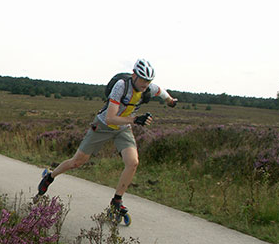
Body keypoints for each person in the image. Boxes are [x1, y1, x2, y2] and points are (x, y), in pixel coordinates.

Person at [36, 58, 178, 218]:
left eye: (148, 81)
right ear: (134, 75)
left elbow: (161, 92)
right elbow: (111, 118)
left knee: (133, 162)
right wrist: (135, 119)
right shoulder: (121, 87)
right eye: (143, 79)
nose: (145, 84)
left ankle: (117, 200)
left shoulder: (148, 89)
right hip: (103, 125)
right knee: (77, 162)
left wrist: (170, 101)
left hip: (123, 128)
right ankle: (50, 176)